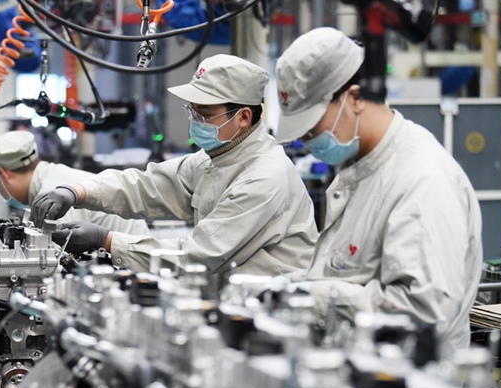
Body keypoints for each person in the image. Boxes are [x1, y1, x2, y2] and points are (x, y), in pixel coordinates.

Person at [273, 27, 482, 360]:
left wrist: (313, 297)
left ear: (354, 98)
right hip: (359, 374)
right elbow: (346, 272)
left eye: (312, 126)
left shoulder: (421, 181)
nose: (308, 139)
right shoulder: (361, 168)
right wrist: (284, 287)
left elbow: (423, 313)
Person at [31, 54, 318, 275]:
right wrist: (78, 191)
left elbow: (199, 255)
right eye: (192, 111)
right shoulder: (215, 158)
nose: (194, 120)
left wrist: (106, 240)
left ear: (243, 117)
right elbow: (146, 186)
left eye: (204, 114)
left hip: (273, 318)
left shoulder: (263, 177)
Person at [0, 130, 149, 237]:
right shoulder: (52, 175)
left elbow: (57, 262)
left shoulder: (53, 195)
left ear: (3, 175)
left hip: (129, 266)